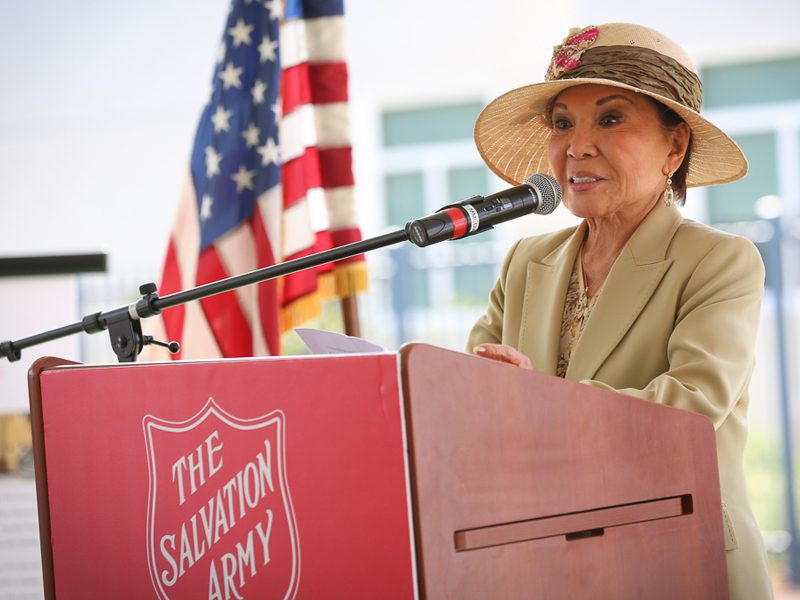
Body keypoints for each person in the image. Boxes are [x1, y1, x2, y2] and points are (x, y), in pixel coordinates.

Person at [467, 22, 773, 599]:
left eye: (610, 119)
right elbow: (470, 396)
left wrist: (530, 404)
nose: (577, 146)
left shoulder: (720, 261)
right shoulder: (523, 261)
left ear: (674, 146)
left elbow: (689, 410)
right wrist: (468, 391)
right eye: (562, 123)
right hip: (545, 569)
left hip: (681, 561)